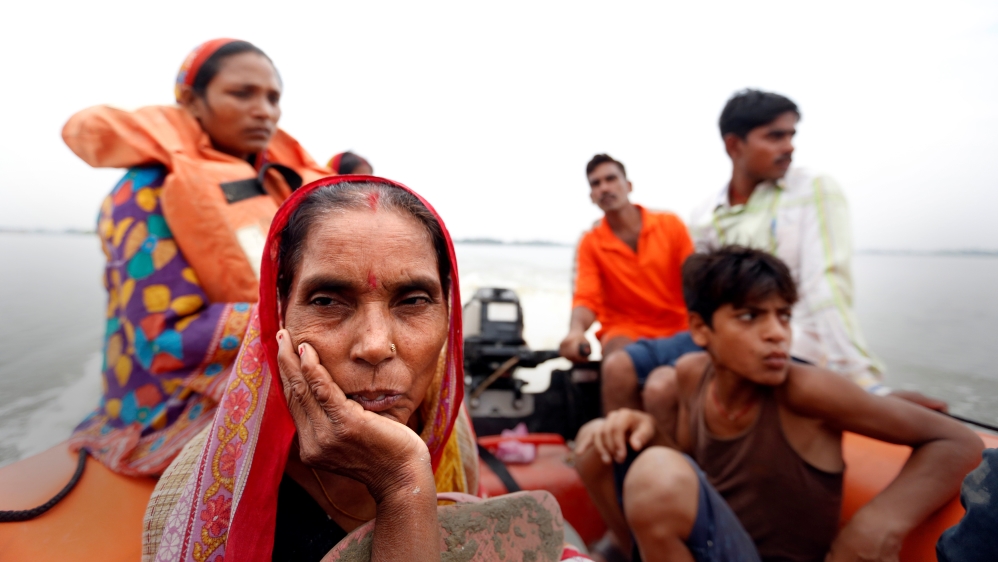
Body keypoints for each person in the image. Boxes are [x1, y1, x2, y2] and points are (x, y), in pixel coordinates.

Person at [142, 176, 589, 562]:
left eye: (414, 301)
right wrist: (400, 483)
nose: (375, 346)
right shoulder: (194, 501)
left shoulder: (450, 435)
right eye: (327, 301)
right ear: (278, 316)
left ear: (449, 316)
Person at [576, 246, 983, 562]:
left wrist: (875, 525)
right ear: (701, 329)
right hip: (718, 542)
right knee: (595, 441)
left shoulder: (806, 390)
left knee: (656, 473)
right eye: (750, 317)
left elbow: (958, 441)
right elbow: (691, 466)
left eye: (783, 316)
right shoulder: (691, 373)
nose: (777, 334)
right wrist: (639, 423)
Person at [62, 38, 328, 476]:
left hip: (278, 352)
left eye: (273, 98)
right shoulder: (145, 191)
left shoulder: (274, 180)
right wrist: (307, 321)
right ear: (191, 101)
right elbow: (166, 338)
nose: (264, 110)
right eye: (242, 94)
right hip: (173, 402)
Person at [600, 89, 945, 426]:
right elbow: (704, 298)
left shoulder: (813, 191)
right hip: (722, 338)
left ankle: (682, 477)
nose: (789, 146)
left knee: (663, 385)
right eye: (775, 136)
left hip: (792, 344)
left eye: (791, 135)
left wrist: (862, 382)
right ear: (734, 145)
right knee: (618, 367)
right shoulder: (705, 215)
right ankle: (630, 475)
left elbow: (826, 286)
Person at [559, 154, 695, 413]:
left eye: (611, 179)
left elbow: (695, 282)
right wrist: (576, 331)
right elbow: (587, 296)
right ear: (591, 196)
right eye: (596, 183)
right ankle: (618, 444)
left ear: (628, 185)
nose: (604, 188)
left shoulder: (670, 225)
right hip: (625, 329)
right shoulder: (591, 242)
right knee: (615, 361)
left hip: (679, 325)